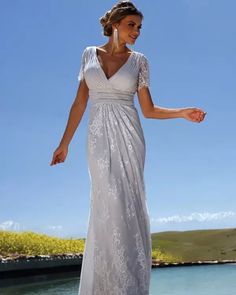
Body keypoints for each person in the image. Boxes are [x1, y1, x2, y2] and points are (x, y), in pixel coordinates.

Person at [50, 1, 206, 294]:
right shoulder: (88, 55)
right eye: (131, 25)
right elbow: (80, 102)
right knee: (104, 201)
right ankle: (103, 285)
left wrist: (182, 112)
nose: (136, 31)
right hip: (97, 136)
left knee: (126, 202)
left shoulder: (140, 61)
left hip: (129, 135)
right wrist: (64, 144)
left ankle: (128, 284)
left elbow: (148, 110)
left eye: (139, 27)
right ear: (115, 24)